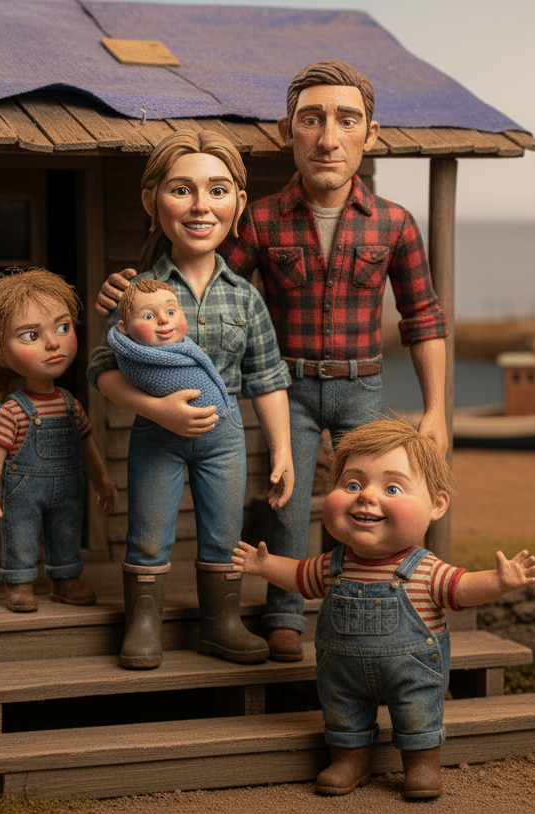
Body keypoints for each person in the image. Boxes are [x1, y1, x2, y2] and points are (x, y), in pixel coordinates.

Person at [96, 60, 450, 663]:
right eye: (311, 120)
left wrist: (438, 409)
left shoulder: (394, 224)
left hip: (361, 385)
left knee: (379, 496)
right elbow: (201, 253)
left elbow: (424, 317)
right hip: (289, 385)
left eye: (346, 120)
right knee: (286, 501)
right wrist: (129, 294)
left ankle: (386, 601)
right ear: (289, 130)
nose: (328, 137)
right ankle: (284, 614)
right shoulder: (260, 217)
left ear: (371, 132)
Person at [233, 419, 535, 800]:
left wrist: (499, 581)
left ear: (436, 504)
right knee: (343, 714)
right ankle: (349, 759)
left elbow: (461, 588)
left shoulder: (425, 569)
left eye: (392, 487)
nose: (365, 497)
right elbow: (299, 576)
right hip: (343, 672)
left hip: (412, 671)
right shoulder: (332, 564)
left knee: (419, 715)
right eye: (353, 484)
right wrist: (264, 566)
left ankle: (422, 765)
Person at [87, 130, 294, 670]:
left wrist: (283, 451)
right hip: (158, 435)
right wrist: (158, 409)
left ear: (239, 203)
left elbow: (267, 377)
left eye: (219, 190)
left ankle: (221, 623)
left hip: (224, 438)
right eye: (181, 190)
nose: (201, 206)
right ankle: (143, 623)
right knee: (150, 528)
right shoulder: (139, 294)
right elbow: (103, 370)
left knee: (224, 531)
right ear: (152, 200)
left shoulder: (245, 295)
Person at [0, 268, 118, 612]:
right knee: (20, 532)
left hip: (67, 487)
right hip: (23, 490)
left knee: (66, 530)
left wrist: (102, 480)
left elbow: (87, 444)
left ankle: (65, 579)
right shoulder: (13, 409)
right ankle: (19, 582)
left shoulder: (70, 403)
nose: (53, 343)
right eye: (31, 335)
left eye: (62, 328)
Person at [108, 278, 229, 415]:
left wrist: (192, 357)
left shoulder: (186, 346)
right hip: (165, 419)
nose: (164, 320)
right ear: (124, 327)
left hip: (225, 417)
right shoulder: (134, 359)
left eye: (170, 312)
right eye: (148, 316)